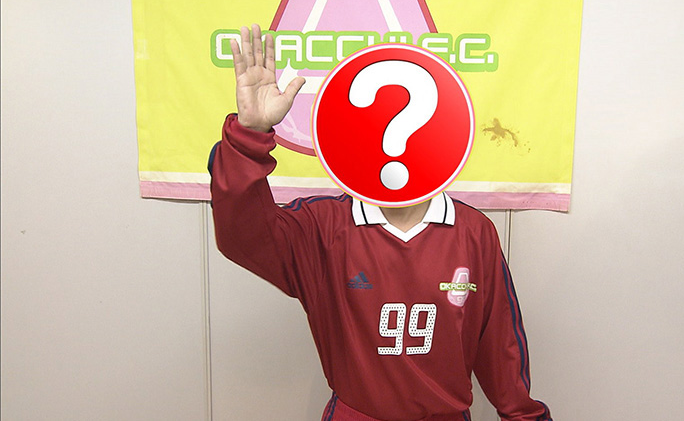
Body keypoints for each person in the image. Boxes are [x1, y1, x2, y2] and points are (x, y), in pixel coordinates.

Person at [209, 24, 552, 421]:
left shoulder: (474, 232)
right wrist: (249, 136)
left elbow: (501, 349)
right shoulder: (324, 227)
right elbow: (242, 235)